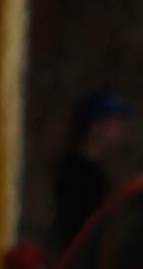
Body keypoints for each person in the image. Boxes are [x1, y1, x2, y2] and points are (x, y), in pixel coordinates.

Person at [52, 89, 131, 253]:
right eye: (116, 123)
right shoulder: (74, 172)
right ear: (95, 127)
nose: (123, 131)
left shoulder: (96, 171)